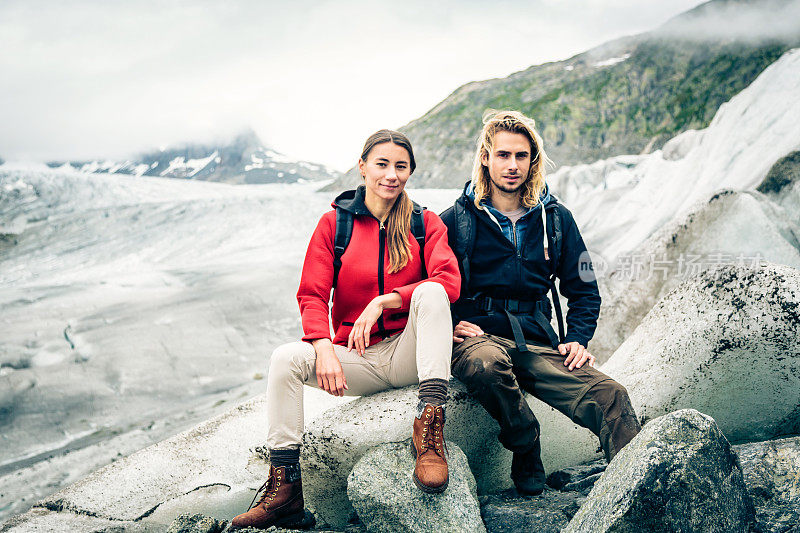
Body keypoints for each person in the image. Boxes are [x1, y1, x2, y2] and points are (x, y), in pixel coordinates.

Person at [231, 130, 461, 530]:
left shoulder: (424, 223)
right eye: (382, 164)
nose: (391, 175)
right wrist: (322, 349)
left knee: (432, 292)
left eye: (401, 166)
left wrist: (385, 301)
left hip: (409, 354)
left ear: (410, 173)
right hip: (356, 359)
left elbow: (449, 282)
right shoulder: (333, 225)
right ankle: (285, 488)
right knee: (285, 358)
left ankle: (430, 430)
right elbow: (312, 295)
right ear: (362, 166)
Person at [440, 110, 641, 496]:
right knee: (487, 363)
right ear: (486, 157)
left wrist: (578, 338)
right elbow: (426, 287)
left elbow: (584, 289)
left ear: (533, 160)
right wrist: (448, 325)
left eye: (521, 156)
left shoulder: (557, 219)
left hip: (536, 340)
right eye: (503, 155)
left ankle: (631, 494)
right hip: (477, 337)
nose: (512, 165)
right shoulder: (454, 220)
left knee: (611, 396)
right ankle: (526, 441)